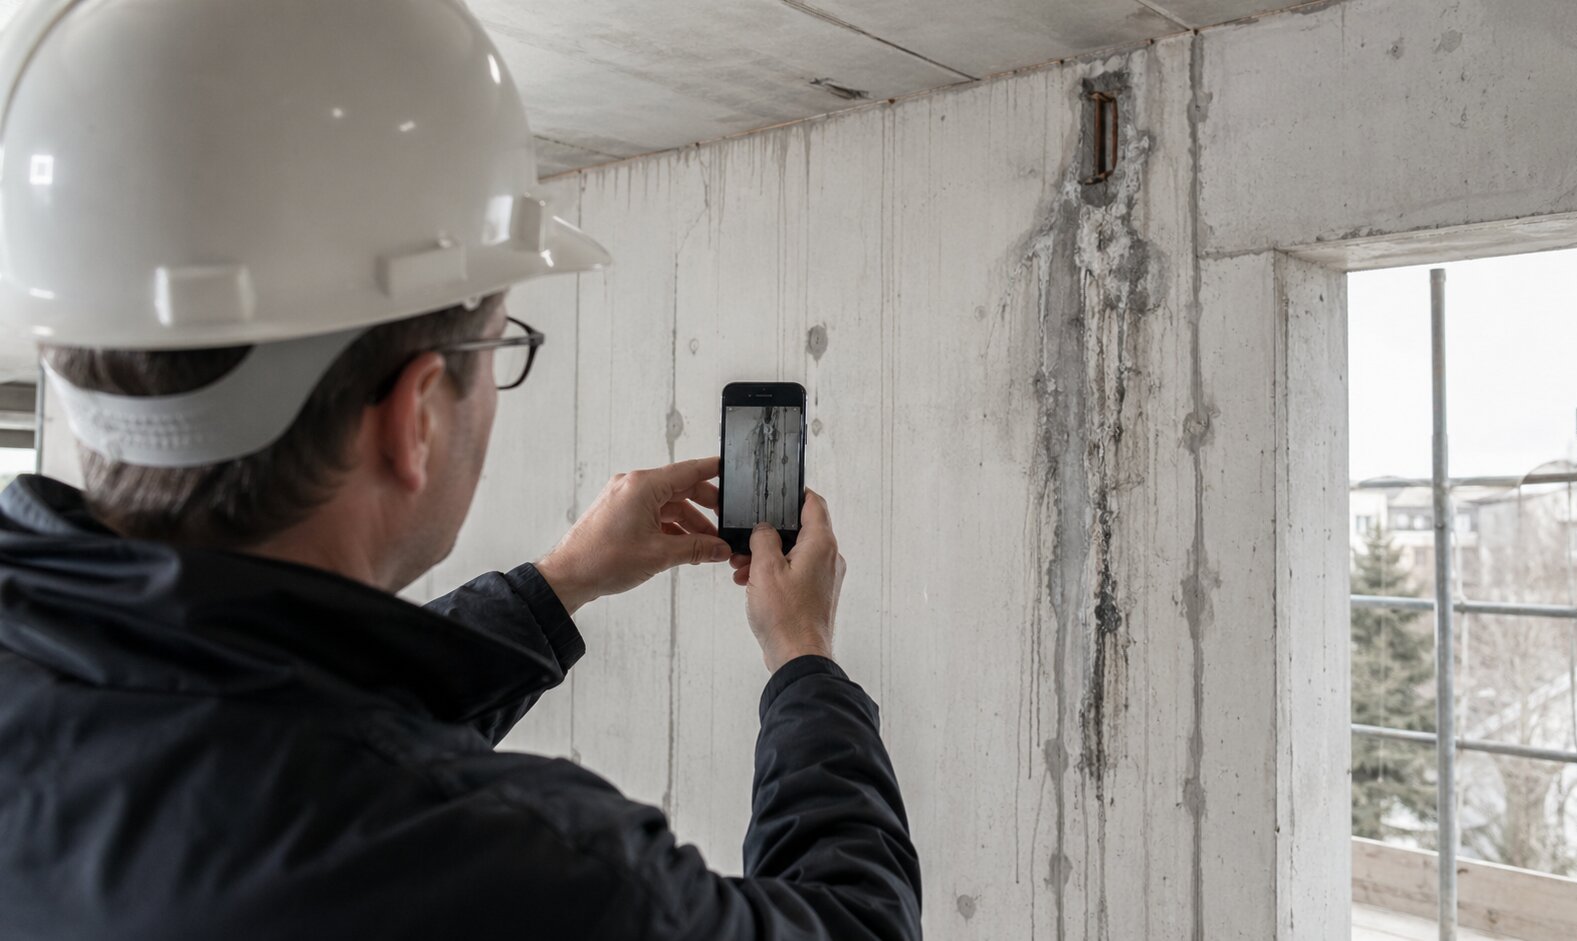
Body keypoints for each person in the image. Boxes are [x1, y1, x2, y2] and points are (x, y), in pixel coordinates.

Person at [0, 0, 921, 938]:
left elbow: (269, 711)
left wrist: (560, 585)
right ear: (415, 417)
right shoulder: (523, 869)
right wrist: (803, 659)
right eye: (498, 348)